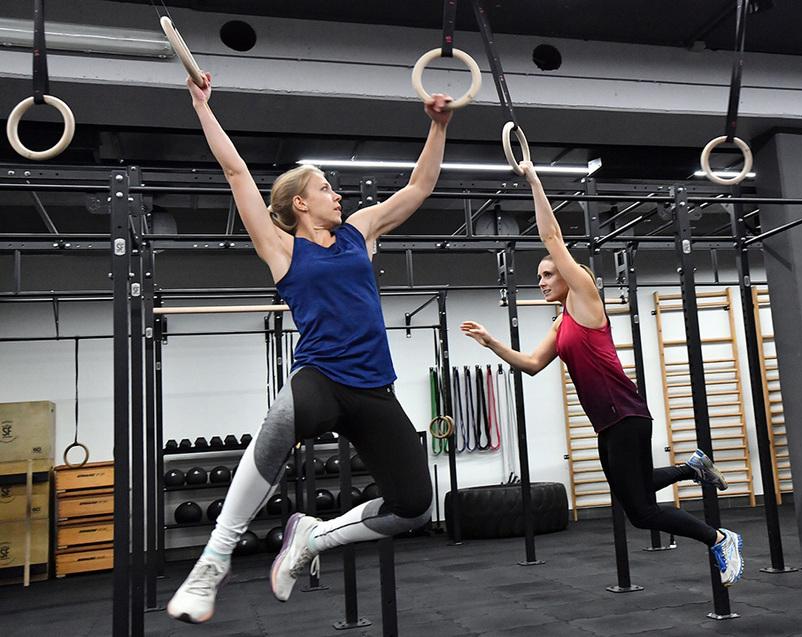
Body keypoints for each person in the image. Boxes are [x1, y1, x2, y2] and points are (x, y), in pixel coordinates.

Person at [166, 71, 452, 623]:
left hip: (374, 387)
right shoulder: (280, 248)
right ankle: (213, 560)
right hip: (322, 375)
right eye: (326, 188)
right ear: (300, 202)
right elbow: (236, 171)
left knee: (415, 507)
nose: (337, 194)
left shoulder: (359, 232)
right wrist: (202, 107)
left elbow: (419, 187)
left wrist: (438, 126)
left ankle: (314, 538)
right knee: (278, 424)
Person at [460, 161, 744, 587]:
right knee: (634, 494)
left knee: (642, 511)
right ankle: (692, 467)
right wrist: (492, 343)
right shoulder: (561, 323)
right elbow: (533, 365)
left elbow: (551, 237)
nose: (541, 282)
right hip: (609, 424)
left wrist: (534, 180)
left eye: (547, 274)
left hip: (626, 415)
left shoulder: (586, 300)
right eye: (539, 277)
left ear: (569, 275)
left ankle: (720, 538)